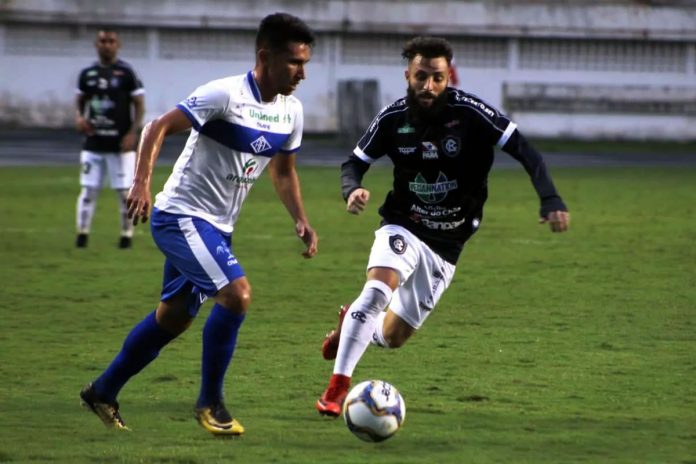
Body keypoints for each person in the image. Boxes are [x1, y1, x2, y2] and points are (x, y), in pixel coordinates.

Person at [80, 13, 318, 436]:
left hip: (218, 228)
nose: (301, 73)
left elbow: (283, 172)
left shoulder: (291, 111)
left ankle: (102, 391)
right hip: (180, 217)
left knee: (171, 320)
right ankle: (211, 402)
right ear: (265, 56)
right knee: (236, 295)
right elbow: (158, 126)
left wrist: (300, 219)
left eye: (305, 64)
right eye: (294, 63)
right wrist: (141, 183)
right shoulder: (223, 94)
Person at [316, 36, 570, 417]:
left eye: (437, 77)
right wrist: (352, 190)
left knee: (393, 336)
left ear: (448, 76)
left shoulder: (472, 114)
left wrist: (550, 197)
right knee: (375, 294)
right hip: (402, 224)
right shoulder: (392, 118)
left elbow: (524, 149)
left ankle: (349, 327)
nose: (428, 86)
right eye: (421, 76)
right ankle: (336, 391)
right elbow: (353, 163)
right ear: (408, 75)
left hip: (448, 245)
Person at [75, 28, 145, 249]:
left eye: (111, 41)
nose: (107, 44)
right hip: (93, 144)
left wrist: (133, 132)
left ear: (118, 45)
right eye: (103, 41)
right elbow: (80, 99)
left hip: (120, 146)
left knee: (125, 194)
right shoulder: (87, 74)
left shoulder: (127, 73)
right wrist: (79, 117)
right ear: (97, 45)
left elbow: (140, 105)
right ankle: (82, 235)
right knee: (88, 192)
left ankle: (126, 235)